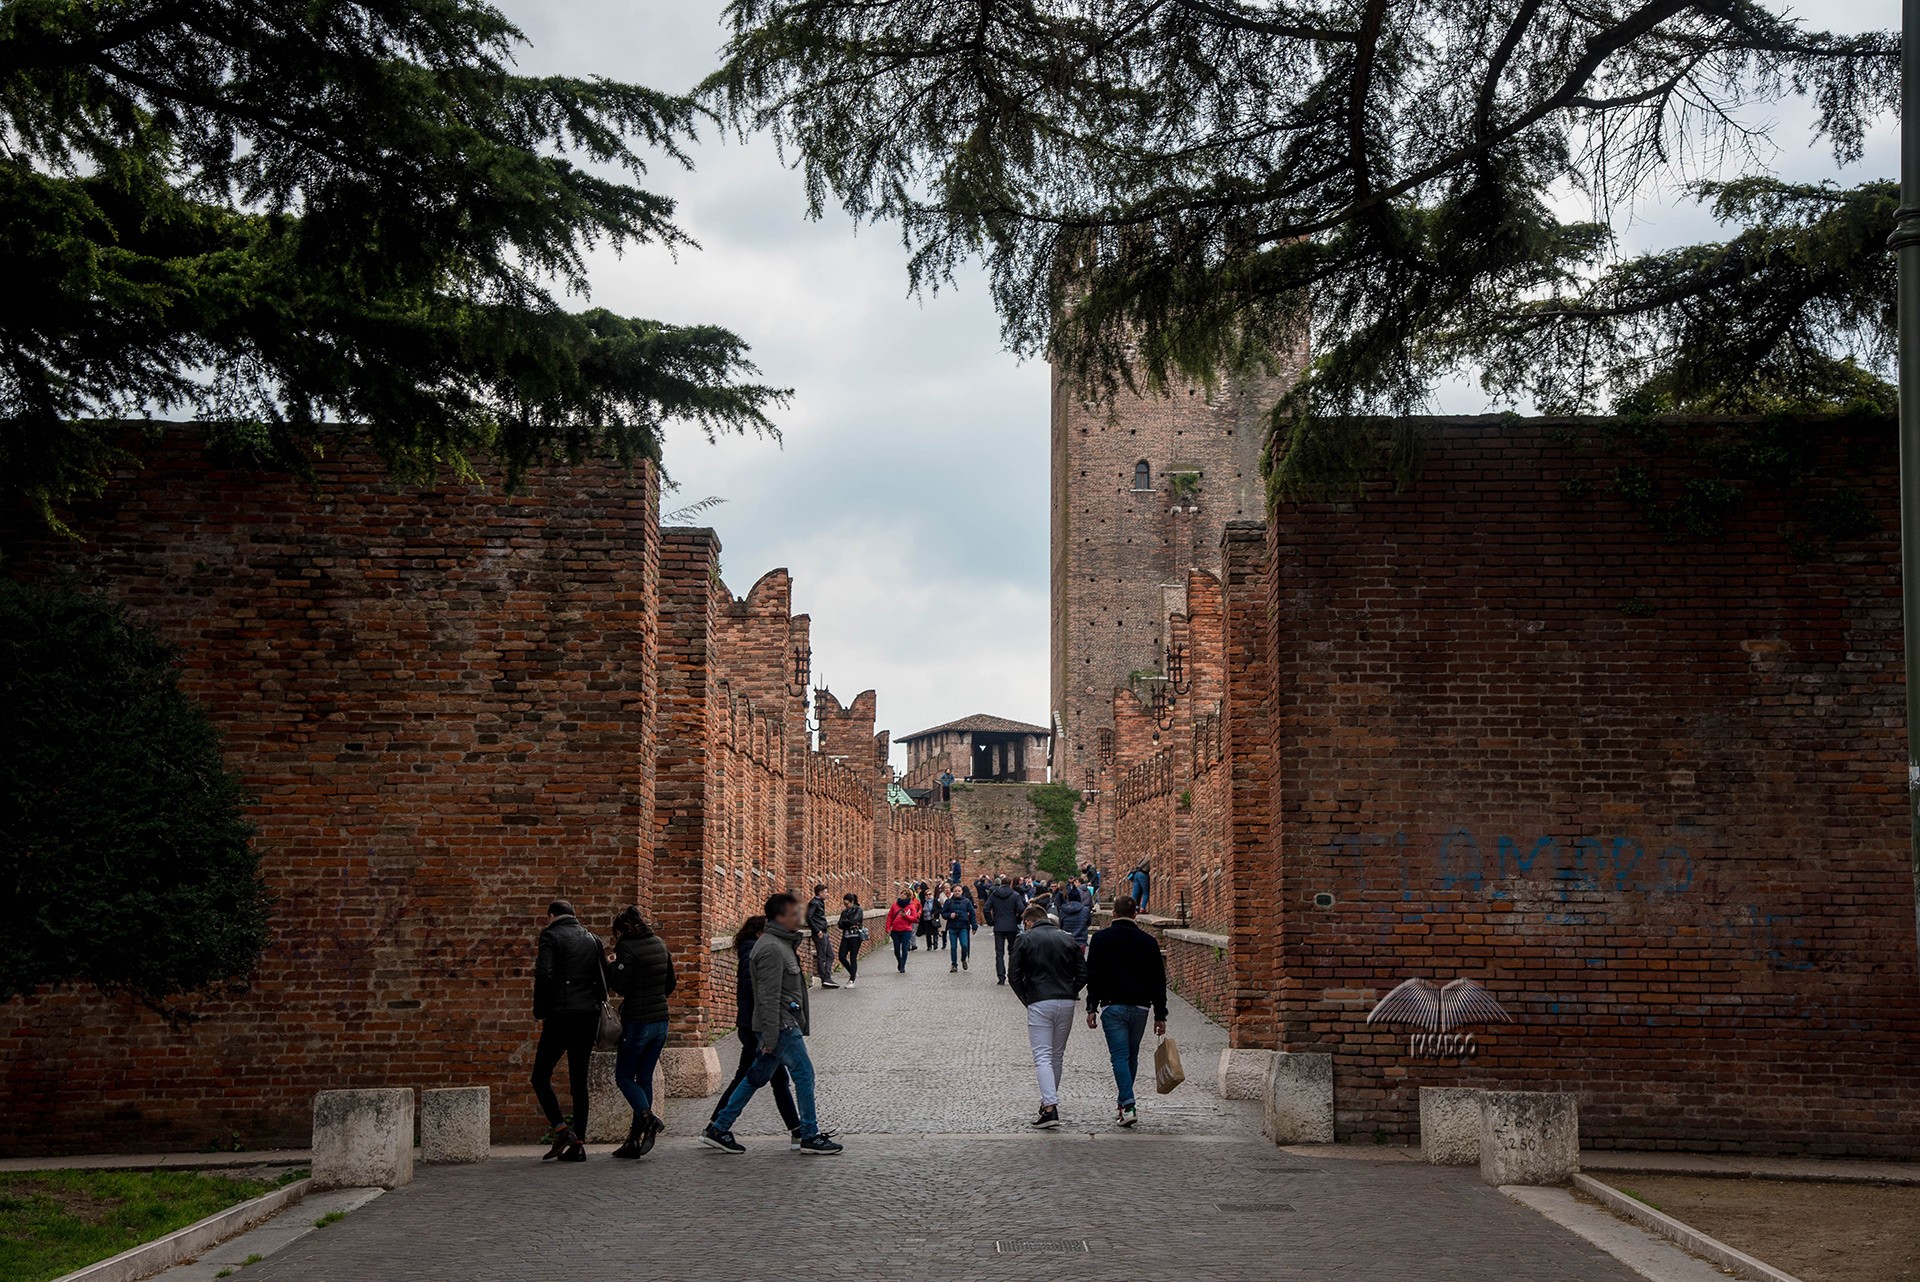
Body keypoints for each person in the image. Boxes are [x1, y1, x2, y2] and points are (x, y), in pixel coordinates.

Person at [703, 894, 844, 1156]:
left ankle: (719, 1127)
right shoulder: (770, 948)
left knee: (756, 1077)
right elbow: (767, 998)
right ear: (780, 917)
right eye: (794, 913)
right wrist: (769, 1037)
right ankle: (809, 1135)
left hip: (780, 1024)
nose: (799, 918)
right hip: (781, 1026)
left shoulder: (779, 944)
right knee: (804, 1075)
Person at [708, 915, 806, 1150]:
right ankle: (718, 1128)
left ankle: (715, 1126)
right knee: (776, 1079)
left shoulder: (751, 950)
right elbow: (758, 992)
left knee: (750, 1077)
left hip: (752, 1026)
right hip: (757, 1027)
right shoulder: (754, 952)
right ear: (759, 933)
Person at [530, 899, 607, 1162]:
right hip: (588, 1016)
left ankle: (561, 1129)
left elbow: (544, 974)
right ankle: (579, 1145)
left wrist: (540, 1010)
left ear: (551, 915)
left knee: (539, 1076)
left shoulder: (550, 936)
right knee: (578, 1082)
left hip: (560, 1016)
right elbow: (603, 978)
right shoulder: (593, 939)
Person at [1084, 895, 1169, 1128]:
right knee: (1131, 1056)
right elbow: (1158, 982)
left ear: (1113, 913)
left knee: (1119, 1057)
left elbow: (1094, 976)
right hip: (1141, 1007)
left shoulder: (1100, 939)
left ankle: (1128, 1104)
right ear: (1135, 914)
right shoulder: (1148, 942)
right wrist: (1160, 1014)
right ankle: (1124, 1104)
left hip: (1112, 1006)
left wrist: (1091, 1006)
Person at [1008, 902, 1086, 1129]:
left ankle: (1050, 1106)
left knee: (1042, 1055)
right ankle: (1046, 1103)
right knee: (1057, 1055)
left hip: (1040, 1000)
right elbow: (1083, 972)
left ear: (1028, 922)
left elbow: (1014, 975)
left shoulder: (1025, 939)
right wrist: (1072, 991)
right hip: (1066, 1000)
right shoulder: (1067, 938)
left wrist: (1027, 999)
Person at [606, 906, 674, 1159]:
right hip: (661, 1021)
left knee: (624, 1076)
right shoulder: (659, 943)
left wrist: (611, 965)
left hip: (638, 1022)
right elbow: (671, 983)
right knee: (644, 1077)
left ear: (622, 929)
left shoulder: (627, 947)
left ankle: (648, 1119)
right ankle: (634, 1140)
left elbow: (621, 986)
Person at [983, 876, 1027, 985]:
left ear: (1001, 883)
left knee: (999, 953)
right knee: (1012, 952)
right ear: (1010, 883)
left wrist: (991, 921)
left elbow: (986, 909)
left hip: (999, 926)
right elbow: (1022, 909)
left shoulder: (994, 895)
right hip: (1011, 926)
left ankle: (1001, 977)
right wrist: (1017, 920)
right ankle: (1012, 975)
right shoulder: (1015, 895)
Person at [805, 883, 839, 989]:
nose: (827, 894)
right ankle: (825, 978)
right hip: (820, 933)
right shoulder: (814, 903)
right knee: (822, 956)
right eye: (826, 892)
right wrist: (817, 930)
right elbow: (808, 917)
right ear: (820, 893)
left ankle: (827, 977)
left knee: (830, 955)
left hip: (824, 932)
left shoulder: (819, 902)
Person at [942, 885, 977, 973]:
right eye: (955, 891)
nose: (957, 892)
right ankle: (954, 964)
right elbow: (943, 913)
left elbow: (972, 914)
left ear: (962, 892)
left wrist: (974, 926)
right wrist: (950, 915)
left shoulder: (966, 901)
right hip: (952, 927)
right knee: (953, 947)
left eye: (959, 891)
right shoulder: (948, 902)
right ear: (953, 892)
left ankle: (963, 958)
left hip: (963, 927)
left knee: (964, 945)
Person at [836, 892, 866, 987]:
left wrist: (846, 922)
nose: (846, 906)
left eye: (847, 904)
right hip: (846, 936)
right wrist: (848, 923)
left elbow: (854, 920)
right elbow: (840, 924)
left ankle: (852, 980)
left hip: (855, 937)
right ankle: (852, 971)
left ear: (852, 902)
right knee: (841, 956)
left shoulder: (858, 910)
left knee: (853, 957)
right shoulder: (844, 912)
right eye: (844, 904)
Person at [885, 893, 920, 972]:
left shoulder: (911, 906)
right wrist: (888, 927)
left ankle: (902, 966)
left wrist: (906, 916)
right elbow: (890, 916)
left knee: (904, 948)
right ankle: (899, 961)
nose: (901, 895)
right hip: (895, 930)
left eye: (904, 894)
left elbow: (914, 918)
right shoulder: (895, 905)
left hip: (906, 930)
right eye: (901, 894)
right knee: (896, 949)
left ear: (907, 896)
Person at [1057, 881, 1092, 951]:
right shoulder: (1085, 910)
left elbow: (1060, 925)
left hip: (1066, 941)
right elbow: (1088, 923)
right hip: (1080, 941)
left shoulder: (1063, 910)